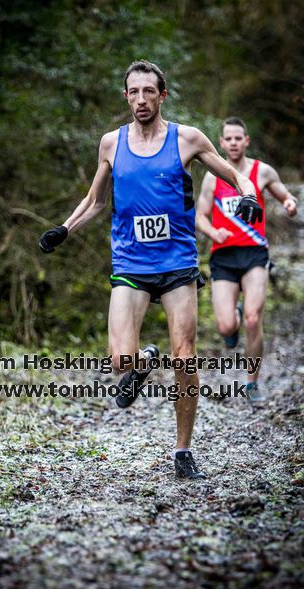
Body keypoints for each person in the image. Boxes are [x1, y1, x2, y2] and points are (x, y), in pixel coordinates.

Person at [39, 62, 261, 479]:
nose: (140, 99)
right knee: (120, 358)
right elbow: (96, 200)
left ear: (162, 95)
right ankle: (143, 362)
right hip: (131, 264)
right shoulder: (111, 143)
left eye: (148, 91)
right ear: (125, 97)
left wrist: (248, 194)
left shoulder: (187, 138)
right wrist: (64, 229)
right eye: (133, 92)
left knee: (185, 358)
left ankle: (182, 449)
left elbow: (231, 172)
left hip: (177, 264)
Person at [196, 116, 298, 403]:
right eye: (227, 138)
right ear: (221, 142)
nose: (233, 143)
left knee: (254, 320)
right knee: (226, 327)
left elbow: (285, 196)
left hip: (254, 254)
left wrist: (290, 204)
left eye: (237, 138)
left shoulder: (261, 171)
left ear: (246, 140)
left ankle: (252, 382)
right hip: (224, 257)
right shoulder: (212, 176)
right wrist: (213, 232)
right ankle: (234, 315)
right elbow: (200, 216)